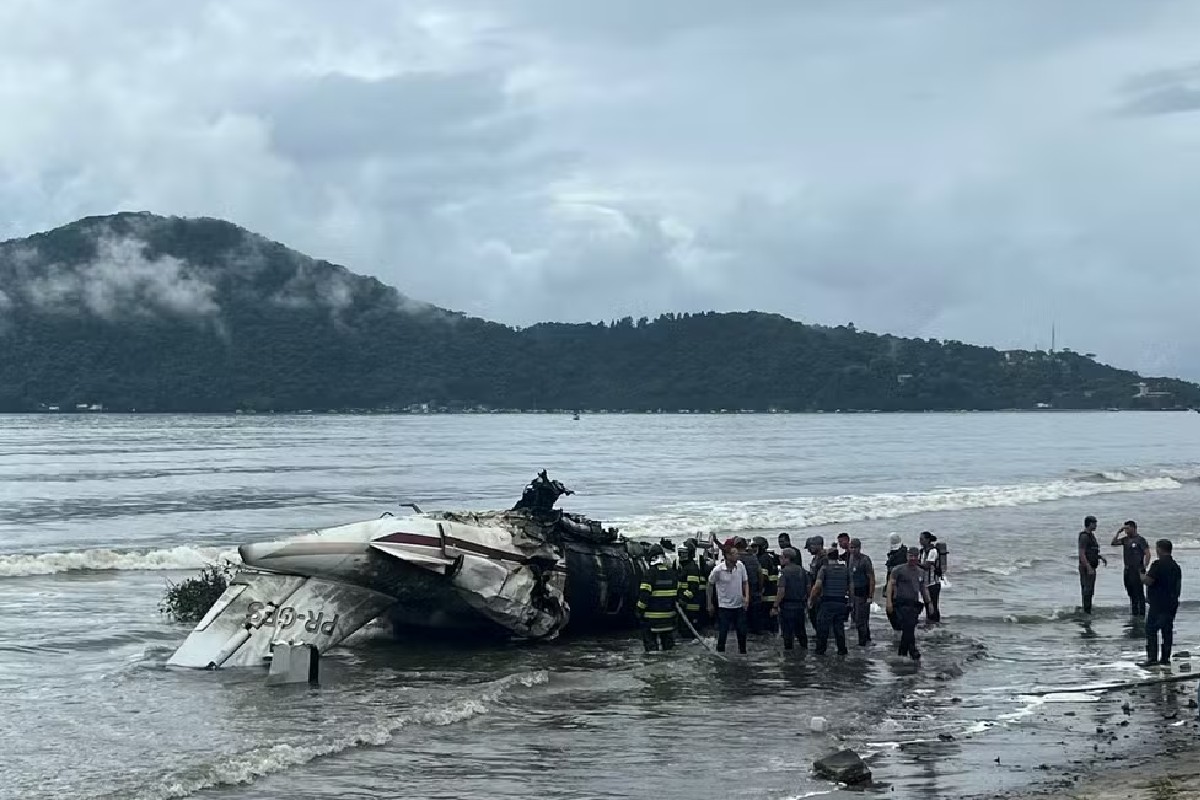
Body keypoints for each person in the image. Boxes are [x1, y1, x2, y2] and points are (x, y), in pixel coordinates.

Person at [636, 544, 686, 652]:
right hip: (669, 620)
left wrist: (639, 611)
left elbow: (644, 596)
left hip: (651, 621)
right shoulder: (673, 574)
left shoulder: (649, 574)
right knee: (668, 650)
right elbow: (679, 596)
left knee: (651, 651)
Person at [1141, 538, 1182, 667]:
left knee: (1151, 630)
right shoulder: (1176, 566)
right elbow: (1178, 586)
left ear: (1159, 549)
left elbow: (1148, 581)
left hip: (1158, 604)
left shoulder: (1157, 565)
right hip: (1171, 603)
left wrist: (1141, 574)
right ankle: (1165, 658)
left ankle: (1152, 658)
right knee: (1167, 630)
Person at [887, 547, 932, 661]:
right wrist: (889, 602)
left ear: (918, 558)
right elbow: (890, 585)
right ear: (907, 556)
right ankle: (912, 651)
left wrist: (929, 604)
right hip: (901, 603)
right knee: (909, 627)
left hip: (914, 603)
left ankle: (903, 653)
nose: (912, 558)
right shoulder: (898, 570)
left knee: (910, 628)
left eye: (915, 556)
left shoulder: (921, 572)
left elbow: (924, 589)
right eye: (910, 556)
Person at [708, 544, 750, 654]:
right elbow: (710, 585)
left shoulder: (740, 566)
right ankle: (720, 653)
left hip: (739, 605)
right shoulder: (718, 570)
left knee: (742, 632)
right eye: (735, 554)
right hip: (724, 606)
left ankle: (743, 653)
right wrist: (710, 603)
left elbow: (745, 582)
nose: (737, 556)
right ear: (727, 555)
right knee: (723, 633)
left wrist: (747, 597)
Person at [809, 546, 850, 656]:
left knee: (823, 628)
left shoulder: (824, 569)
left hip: (827, 602)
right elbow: (851, 587)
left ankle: (820, 652)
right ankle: (842, 651)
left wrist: (811, 600)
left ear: (827, 557)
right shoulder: (845, 569)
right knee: (839, 628)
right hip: (841, 602)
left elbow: (817, 586)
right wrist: (850, 602)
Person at [773, 547, 811, 650]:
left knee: (788, 633)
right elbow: (808, 588)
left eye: (781, 557)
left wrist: (775, 606)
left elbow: (781, 590)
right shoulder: (802, 571)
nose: (780, 559)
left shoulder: (784, 572)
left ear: (787, 559)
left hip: (787, 607)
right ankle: (804, 651)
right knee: (801, 631)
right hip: (800, 606)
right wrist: (808, 601)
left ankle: (790, 657)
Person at [1112, 520, 1151, 618]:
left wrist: (1144, 566)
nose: (1126, 530)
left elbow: (1147, 553)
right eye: (1124, 528)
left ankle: (1141, 614)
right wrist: (1118, 532)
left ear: (1133, 528)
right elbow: (1113, 543)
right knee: (1130, 592)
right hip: (1127, 570)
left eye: (1127, 528)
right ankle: (1134, 613)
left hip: (1137, 569)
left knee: (1139, 593)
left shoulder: (1140, 540)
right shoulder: (1125, 539)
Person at [847, 538, 876, 646]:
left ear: (859, 548)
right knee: (856, 618)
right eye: (851, 548)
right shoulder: (850, 558)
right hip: (853, 594)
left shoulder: (865, 560)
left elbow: (871, 578)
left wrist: (870, 596)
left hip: (863, 593)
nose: (853, 550)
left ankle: (863, 643)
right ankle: (867, 640)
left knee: (861, 620)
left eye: (855, 548)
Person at [735, 537, 765, 634]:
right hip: (754, 590)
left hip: (740, 592)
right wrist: (760, 589)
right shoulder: (753, 558)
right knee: (755, 618)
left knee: (742, 620)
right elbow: (760, 574)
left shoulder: (735, 559)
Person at [676, 542, 707, 635]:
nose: (681, 555)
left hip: (690, 606)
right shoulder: (684, 567)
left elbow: (693, 589)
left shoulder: (691, 568)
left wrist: (683, 599)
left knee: (689, 632)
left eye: (684, 553)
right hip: (685, 606)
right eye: (680, 553)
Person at [1078, 516, 1106, 614]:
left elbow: (1091, 551)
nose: (1096, 525)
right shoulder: (1084, 536)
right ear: (1089, 524)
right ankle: (1086, 611)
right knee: (1087, 590)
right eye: (1094, 523)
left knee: (1090, 590)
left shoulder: (1091, 536)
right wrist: (1088, 567)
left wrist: (1099, 557)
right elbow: (1082, 553)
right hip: (1086, 567)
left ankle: (1087, 609)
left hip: (1092, 566)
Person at [754, 536, 780, 635]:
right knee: (773, 620)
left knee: (767, 619)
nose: (754, 549)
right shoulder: (771, 556)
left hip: (767, 594)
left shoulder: (763, 559)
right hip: (773, 592)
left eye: (756, 546)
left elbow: (763, 577)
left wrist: (760, 590)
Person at [918, 531, 944, 622]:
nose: (920, 541)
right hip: (925, 583)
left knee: (933, 604)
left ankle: (935, 622)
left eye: (922, 539)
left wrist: (915, 563)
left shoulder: (933, 551)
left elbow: (926, 566)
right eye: (920, 539)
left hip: (933, 583)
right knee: (927, 604)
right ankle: (930, 621)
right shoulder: (922, 551)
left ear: (928, 540)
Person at [884, 532, 908, 630]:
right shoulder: (901, 552)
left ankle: (899, 629)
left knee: (896, 610)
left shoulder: (900, 555)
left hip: (898, 587)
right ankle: (899, 629)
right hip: (895, 585)